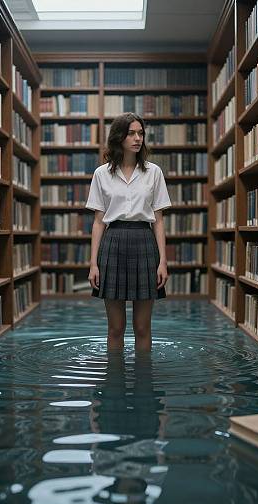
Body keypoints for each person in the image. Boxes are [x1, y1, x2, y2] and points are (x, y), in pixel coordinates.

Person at [85, 112, 172, 352]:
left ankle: (144, 384)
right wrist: (93, 263)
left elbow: (159, 220)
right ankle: (115, 385)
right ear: (119, 137)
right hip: (112, 244)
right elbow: (98, 222)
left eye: (140, 133)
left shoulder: (153, 172)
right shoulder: (101, 174)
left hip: (144, 242)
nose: (137, 138)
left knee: (143, 328)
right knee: (115, 328)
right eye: (131, 133)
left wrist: (163, 261)